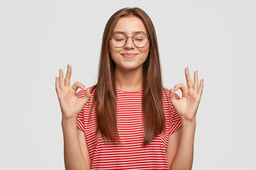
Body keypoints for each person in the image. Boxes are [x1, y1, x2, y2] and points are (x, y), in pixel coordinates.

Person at [55, 7, 204, 170]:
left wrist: (189, 121)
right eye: (119, 38)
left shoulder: (171, 102)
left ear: (150, 45)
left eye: (138, 38)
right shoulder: (83, 101)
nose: (129, 45)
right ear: (108, 44)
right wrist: (68, 119)